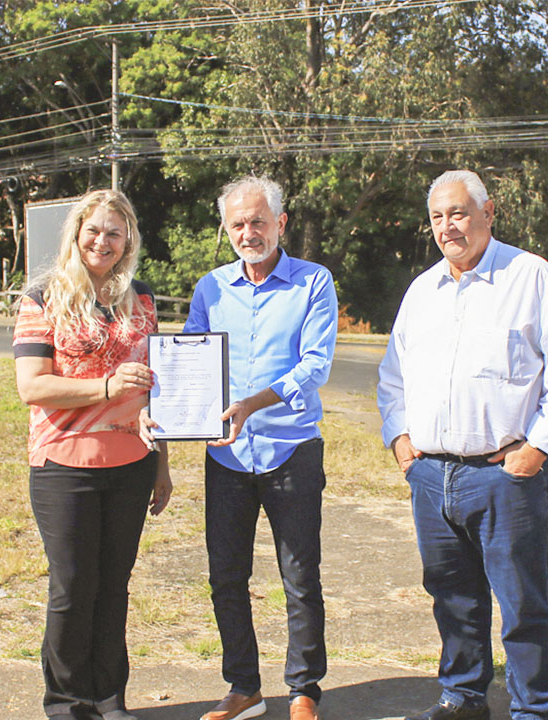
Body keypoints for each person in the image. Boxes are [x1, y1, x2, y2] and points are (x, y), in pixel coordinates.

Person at [377, 170, 548, 720]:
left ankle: (534, 707)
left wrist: (538, 448)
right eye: (437, 217)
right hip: (433, 477)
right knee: (452, 599)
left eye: (458, 212)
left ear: (488, 213)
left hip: (507, 477)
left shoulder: (531, 278)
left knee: (522, 602)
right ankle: (464, 696)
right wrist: (400, 439)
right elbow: (393, 376)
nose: (448, 226)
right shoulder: (422, 291)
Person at [13, 189, 173, 720]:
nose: (102, 241)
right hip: (64, 466)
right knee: (73, 588)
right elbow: (33, 386)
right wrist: (105, 387)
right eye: (93, 230)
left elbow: (157, 389)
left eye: (114, 231)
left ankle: (109, 699)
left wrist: (163, 466)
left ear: (128, 240)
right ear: (76, 234)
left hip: (132, 464)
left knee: (114, 586)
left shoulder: (142, 298)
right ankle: (66, 703)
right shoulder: (42, 298)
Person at [184, 175, 338, 720]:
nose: (249, 232)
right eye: (238, 224)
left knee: (299, 575)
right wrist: (176, 406)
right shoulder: (211, 288)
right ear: (227, 229)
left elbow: (315, 365)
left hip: (291, 450)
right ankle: (244, 687)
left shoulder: (314, 283)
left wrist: (252, 403)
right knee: (226, 575)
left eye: (258, 221)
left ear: (281, 224)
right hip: (225, 455)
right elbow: (190, 359)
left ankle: (303, 689)